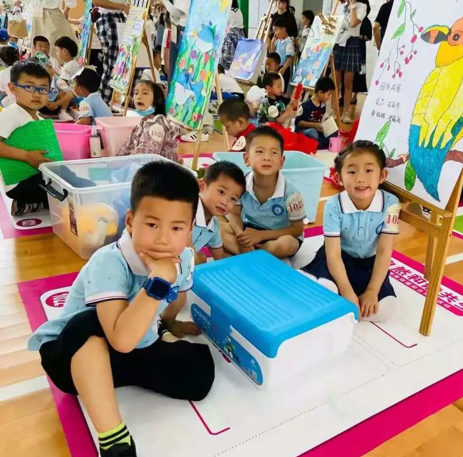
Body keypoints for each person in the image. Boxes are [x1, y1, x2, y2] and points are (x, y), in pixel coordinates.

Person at [27, 161, 215, 457]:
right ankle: (114, 438)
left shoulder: (185, 258)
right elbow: (121, 340)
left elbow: (176, 300)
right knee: (87, 323)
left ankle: (106, 381)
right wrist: (157, 281)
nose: (163, 238)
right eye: (152, 225)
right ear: (130, 221)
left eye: (177, 228)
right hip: (74, 354)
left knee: (199, 375)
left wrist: (168, 325)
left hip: (132, 342)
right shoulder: (109, 261)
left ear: (190, 228)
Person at [301, 140, 400, 321]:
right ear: (339, 178)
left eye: (369, 170)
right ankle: (329, 290)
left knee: (386, 310)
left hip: (369, 264)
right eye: (352, 172)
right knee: (326, 289)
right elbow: (333, 254)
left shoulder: (391, 203)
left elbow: (385, 251)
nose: (360, 179)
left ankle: (340, 301)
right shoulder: (333, 205)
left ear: (382, 175)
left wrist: (372, 291)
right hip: (339, 258)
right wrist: (347, 292)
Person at [221, 126, 306, 258]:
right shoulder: (240, 184)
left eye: (274, 152)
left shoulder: (292, 195)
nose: (267, 157)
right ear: (246, 159)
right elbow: (234, 215)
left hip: (278, 235)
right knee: (215, 229)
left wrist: (261, 235)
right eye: (259, 151)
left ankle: (251, 254)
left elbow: (297, 229)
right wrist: (241, 236)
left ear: (281, 161)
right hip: (249, 230)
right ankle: (256, 255)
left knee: (287, 244)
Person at [0, 60, 51, 216]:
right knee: (61, 192)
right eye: (29, 87)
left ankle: (34, 204)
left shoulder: (39, 119)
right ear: (13, 88)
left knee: (68, 180)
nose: (36, 94)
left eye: (43, 89)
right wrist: (27, 156)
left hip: (34, 176)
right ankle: (26, 203)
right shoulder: (12, 114)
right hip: (20, 182)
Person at [191, 161, 246, 264]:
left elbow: (220, 257)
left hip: (180, 263)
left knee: (202, 259)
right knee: (199, 259)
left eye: (233, 199)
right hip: (164, 258)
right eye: (221, 192)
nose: (225, 202)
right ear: (202, 186)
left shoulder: (214, 225)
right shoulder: (186, 211)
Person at [117, 80, 180, 162]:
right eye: (136, 93)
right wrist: (115, 161)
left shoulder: (157, 126)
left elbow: (146, 155)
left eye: (145, 93)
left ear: (157, 100)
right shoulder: (143, 122)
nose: (139, 97)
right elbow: (127, 146)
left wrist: (125, 163)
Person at [333, 0, 367, 124]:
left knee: (348, 82)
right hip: (338, 43)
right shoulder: (340, 5)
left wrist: (352, 6)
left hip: (352, 43)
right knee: (335, 82)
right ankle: (333, 110)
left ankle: (345, 112)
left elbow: (353, 23)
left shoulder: (362, 6)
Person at [95, 0, 130, 104]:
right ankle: (103, 103)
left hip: (119, 17)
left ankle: (109, 102)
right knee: (113, 65)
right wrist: (123, 7)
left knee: (120, 65)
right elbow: (97, 1)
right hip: (109, 17)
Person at [295, 76, 337, 149]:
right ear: (320, 93)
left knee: (334, 131)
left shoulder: (323, 105)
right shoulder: (306, 105)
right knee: (312, 133)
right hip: (305, 131)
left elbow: (321, 119)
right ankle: (318, 143)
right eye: (328, 94)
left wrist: (327, 123)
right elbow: (298, 122)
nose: (329, 97)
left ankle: (317, 143)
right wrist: (314, 125)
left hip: (317, 131)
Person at [49, 36, 81, 121]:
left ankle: (63, 111)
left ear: (64, 51)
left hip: (74, 93)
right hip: (74, 90)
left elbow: (62, 81)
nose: (56, 53)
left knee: (60, 87)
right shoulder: (71, 64)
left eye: (57, 50)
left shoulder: (69, 66)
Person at [219, 0, 245, 71]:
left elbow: (222, 25)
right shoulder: (239, 11)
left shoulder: (227, 11)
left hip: (230, 37)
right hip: (240, 35)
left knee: (227, 57)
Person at [269, 18, 294, 84]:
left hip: (283, 68)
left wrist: (284, 68)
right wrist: (272, 43)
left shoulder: (288, 43)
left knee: (281, 86)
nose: (275, 34)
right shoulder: (278, 41)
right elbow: (272, 54)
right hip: (277, 68)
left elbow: (290, 58)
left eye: (276, 30)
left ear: (283, 30)